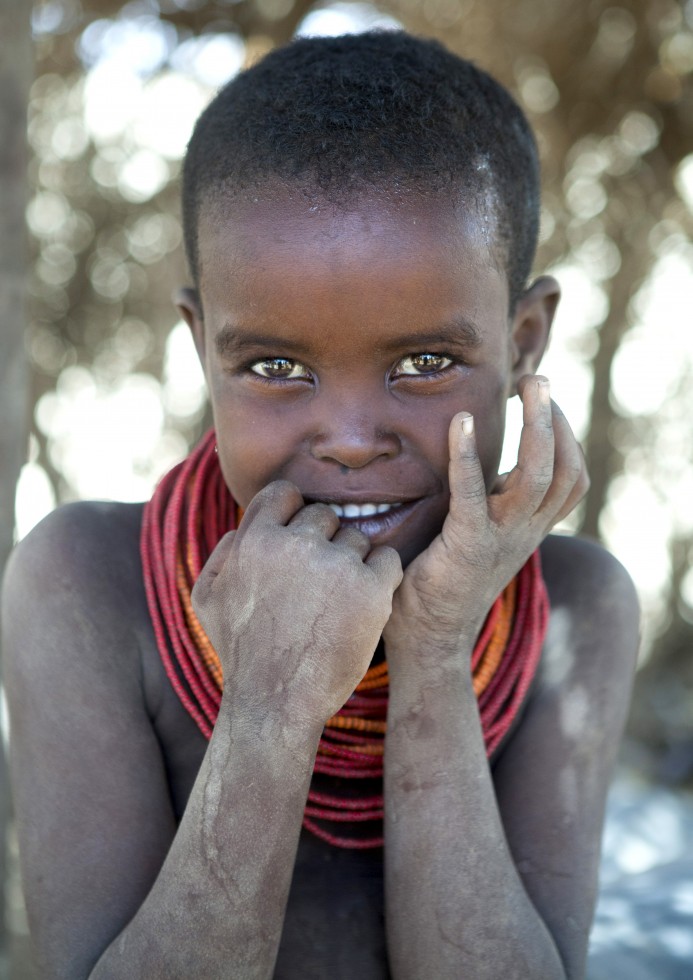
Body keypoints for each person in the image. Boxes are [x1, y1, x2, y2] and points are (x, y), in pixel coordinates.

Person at [2, 30, 640, 980]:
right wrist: (267, 707)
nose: (348, 437)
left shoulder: (573, 609)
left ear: (523, 339)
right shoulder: (85, 585)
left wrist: (433, 644)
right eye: (274, 366)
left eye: (424, 363)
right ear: (200, 341)